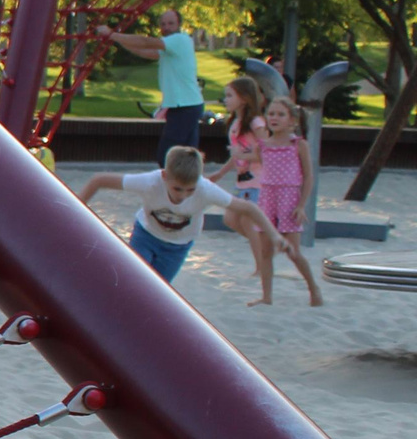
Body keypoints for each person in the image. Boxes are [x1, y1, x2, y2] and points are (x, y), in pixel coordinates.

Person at [77, 145, 278, 292]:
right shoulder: (150, 182)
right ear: (164, 176)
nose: (182, 195)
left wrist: (274, 236)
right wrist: (78, 207)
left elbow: (249, 209)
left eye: (190, 190)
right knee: (134, 278)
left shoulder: (206, 190)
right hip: (146, 235)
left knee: (157, 289)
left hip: (177, 247)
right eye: (177, 189)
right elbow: (99, 180)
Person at [93, 7, 207, 164]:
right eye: (163, 24)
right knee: (188, 157)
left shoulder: (179, 40)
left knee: (167, 157)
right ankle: (189, 185)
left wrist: (111, 34)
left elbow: (146, 42)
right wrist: (115, 39)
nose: (166, 28)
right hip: (187, 105)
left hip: (185, 107)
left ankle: (173, 186)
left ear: (179, 24)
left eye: (171, 23)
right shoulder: (171, 47)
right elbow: (145, 52)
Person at [246, 97, 323, 307]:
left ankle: (313, 288)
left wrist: (301, 205)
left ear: (292, 120)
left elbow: (308, 177)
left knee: (292, 251)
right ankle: (266, 296)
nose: (274, 118)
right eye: (271, 114)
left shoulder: (299, 145)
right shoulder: (262, 145)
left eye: (280, 114)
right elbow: (264, 169)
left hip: (289, 197)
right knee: (265, 251)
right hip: (267, 197)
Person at [209, 73, 266, 202]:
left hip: (257, 183)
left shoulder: (256, 123)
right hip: (241, 182)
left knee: (246, 220)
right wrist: (220, 173)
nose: (225, 100)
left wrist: (242, 155)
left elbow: (267, 153)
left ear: (244, 99)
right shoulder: (235, 123)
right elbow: (236, 155)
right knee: (231, 219)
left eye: (230, 96)